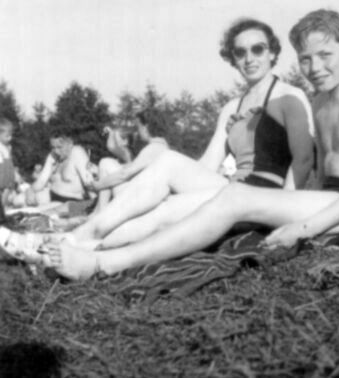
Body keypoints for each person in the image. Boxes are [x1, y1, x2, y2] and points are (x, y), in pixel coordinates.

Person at [1, 17, 315, 275]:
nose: (249, 58)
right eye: (240, 52)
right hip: (233, 186)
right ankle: (69, 243)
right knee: (167, 177)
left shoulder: (289, 96)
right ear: (232, 58)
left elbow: (303, 160)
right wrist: (161, 186)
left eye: (258, 49)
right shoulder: (232, 107)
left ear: (272, 52)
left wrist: (284, 213)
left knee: (166, 209)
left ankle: (66, 245)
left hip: (267, 194)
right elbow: (207, 165)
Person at [91, 113, 169, 212]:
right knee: (110, 169)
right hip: (149, 197)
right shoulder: (163, 148)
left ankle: (101, 213)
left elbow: (124, 174)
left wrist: (98, 185)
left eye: (138, 127)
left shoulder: (152, 149)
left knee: (105, 163)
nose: (138, 131)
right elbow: (133, 168)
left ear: (146, 127)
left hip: (140, 200)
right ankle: (99, 212)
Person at [25, 129, 92, 205]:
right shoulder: (53, 156)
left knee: (39, 209)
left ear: (70, 144)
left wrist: (95, 205)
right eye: (53, 147)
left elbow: (89, 183)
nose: (56, 151)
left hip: (70, 201)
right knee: (20, 199)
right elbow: (41, 181)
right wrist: (30, 190)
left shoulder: (77, 153)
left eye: (59, 147)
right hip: (52, 195)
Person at [0, 118, 16, 222]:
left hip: (8, 175)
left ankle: (2, 214)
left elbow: (10, 162)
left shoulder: (8, 146)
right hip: (1, 175)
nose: (10, 138)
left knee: (6, 196)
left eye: (11, 135)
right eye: (7, 136)